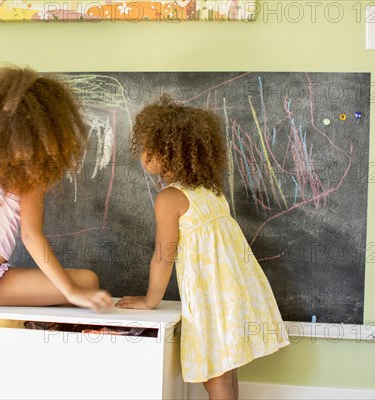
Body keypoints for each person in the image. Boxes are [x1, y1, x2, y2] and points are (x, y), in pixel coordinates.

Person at [115, 95, 290, 399]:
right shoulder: (211, 193)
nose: (141, 154)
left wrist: (149, 300)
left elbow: (164, 255)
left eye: (147, 147)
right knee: (225, 371)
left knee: (215, 378)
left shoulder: (170, 199)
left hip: (214, 299)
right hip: (235, 293)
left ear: (169, 153)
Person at [0, 66, 113, 312]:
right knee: (87, 281)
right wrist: (71, 291)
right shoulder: (31, 174)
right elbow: (31, 236)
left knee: (76, 282)